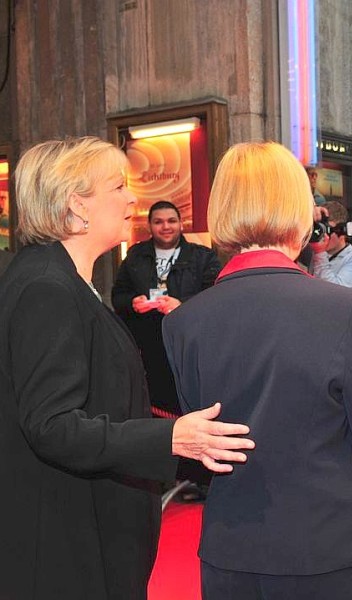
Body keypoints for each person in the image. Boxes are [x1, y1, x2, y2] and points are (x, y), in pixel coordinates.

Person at [0, 136, 254, 600]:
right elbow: (52, 426)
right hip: (63, 542)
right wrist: (170, 437)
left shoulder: (57, 277)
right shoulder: (47, 289)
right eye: (117, 187)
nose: (131, 198)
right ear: (76, 205)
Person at [162, 141, 352, 600]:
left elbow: (207, 441)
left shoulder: (183, 323)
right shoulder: (345, 309)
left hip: (231, 550)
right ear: (299, 208)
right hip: (328, 545)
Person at [112, 200, 221, 415]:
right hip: (148, 346)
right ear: (149, 226)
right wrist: (133, 302)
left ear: (181, 224)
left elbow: (215, 295)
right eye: (158, 222)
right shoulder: (135, 255)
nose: (165, 226)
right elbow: (118, 296)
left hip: (189, 344)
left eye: (171, 221)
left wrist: (182, 304)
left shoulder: (202, 256)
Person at [309, 200, 352, 290]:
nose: (322, 235)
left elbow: (336, 291)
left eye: (327, 231)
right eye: (319, 229)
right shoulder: (308, 252)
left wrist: (320, 253)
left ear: (342, 231)